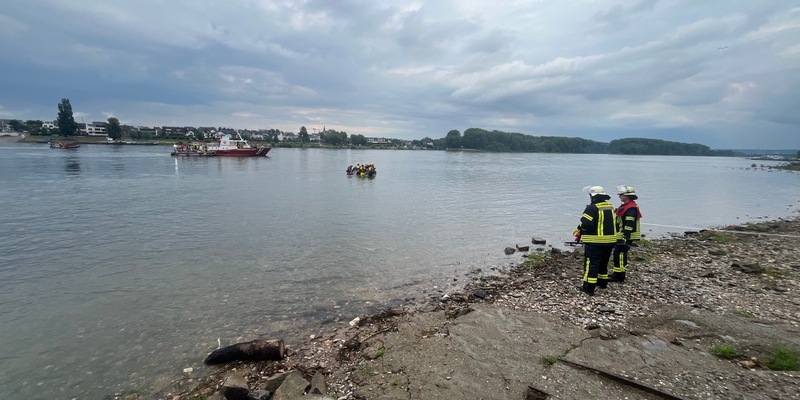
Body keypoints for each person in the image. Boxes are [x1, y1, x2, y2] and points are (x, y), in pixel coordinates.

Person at [574, 186, 618, 296]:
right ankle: (602, 283)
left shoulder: (591, 208)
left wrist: (580, 230)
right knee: (603, 263)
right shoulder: (610, 206)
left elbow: (586, 224)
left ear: (592, 197)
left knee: (591, 264)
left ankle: (589, 287)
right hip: (610, 241)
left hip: (595, 242)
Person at [610, 185, 642, 283]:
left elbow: (629, 224)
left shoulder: (631, 208)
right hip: (621, 235)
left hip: (625, 236)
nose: (619, 196)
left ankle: (620, 276)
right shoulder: (626, 206)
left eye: (621, 195)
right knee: (618, 254)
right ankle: (617, 273)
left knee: (619, 255)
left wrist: (625, 236)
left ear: (627, 196)